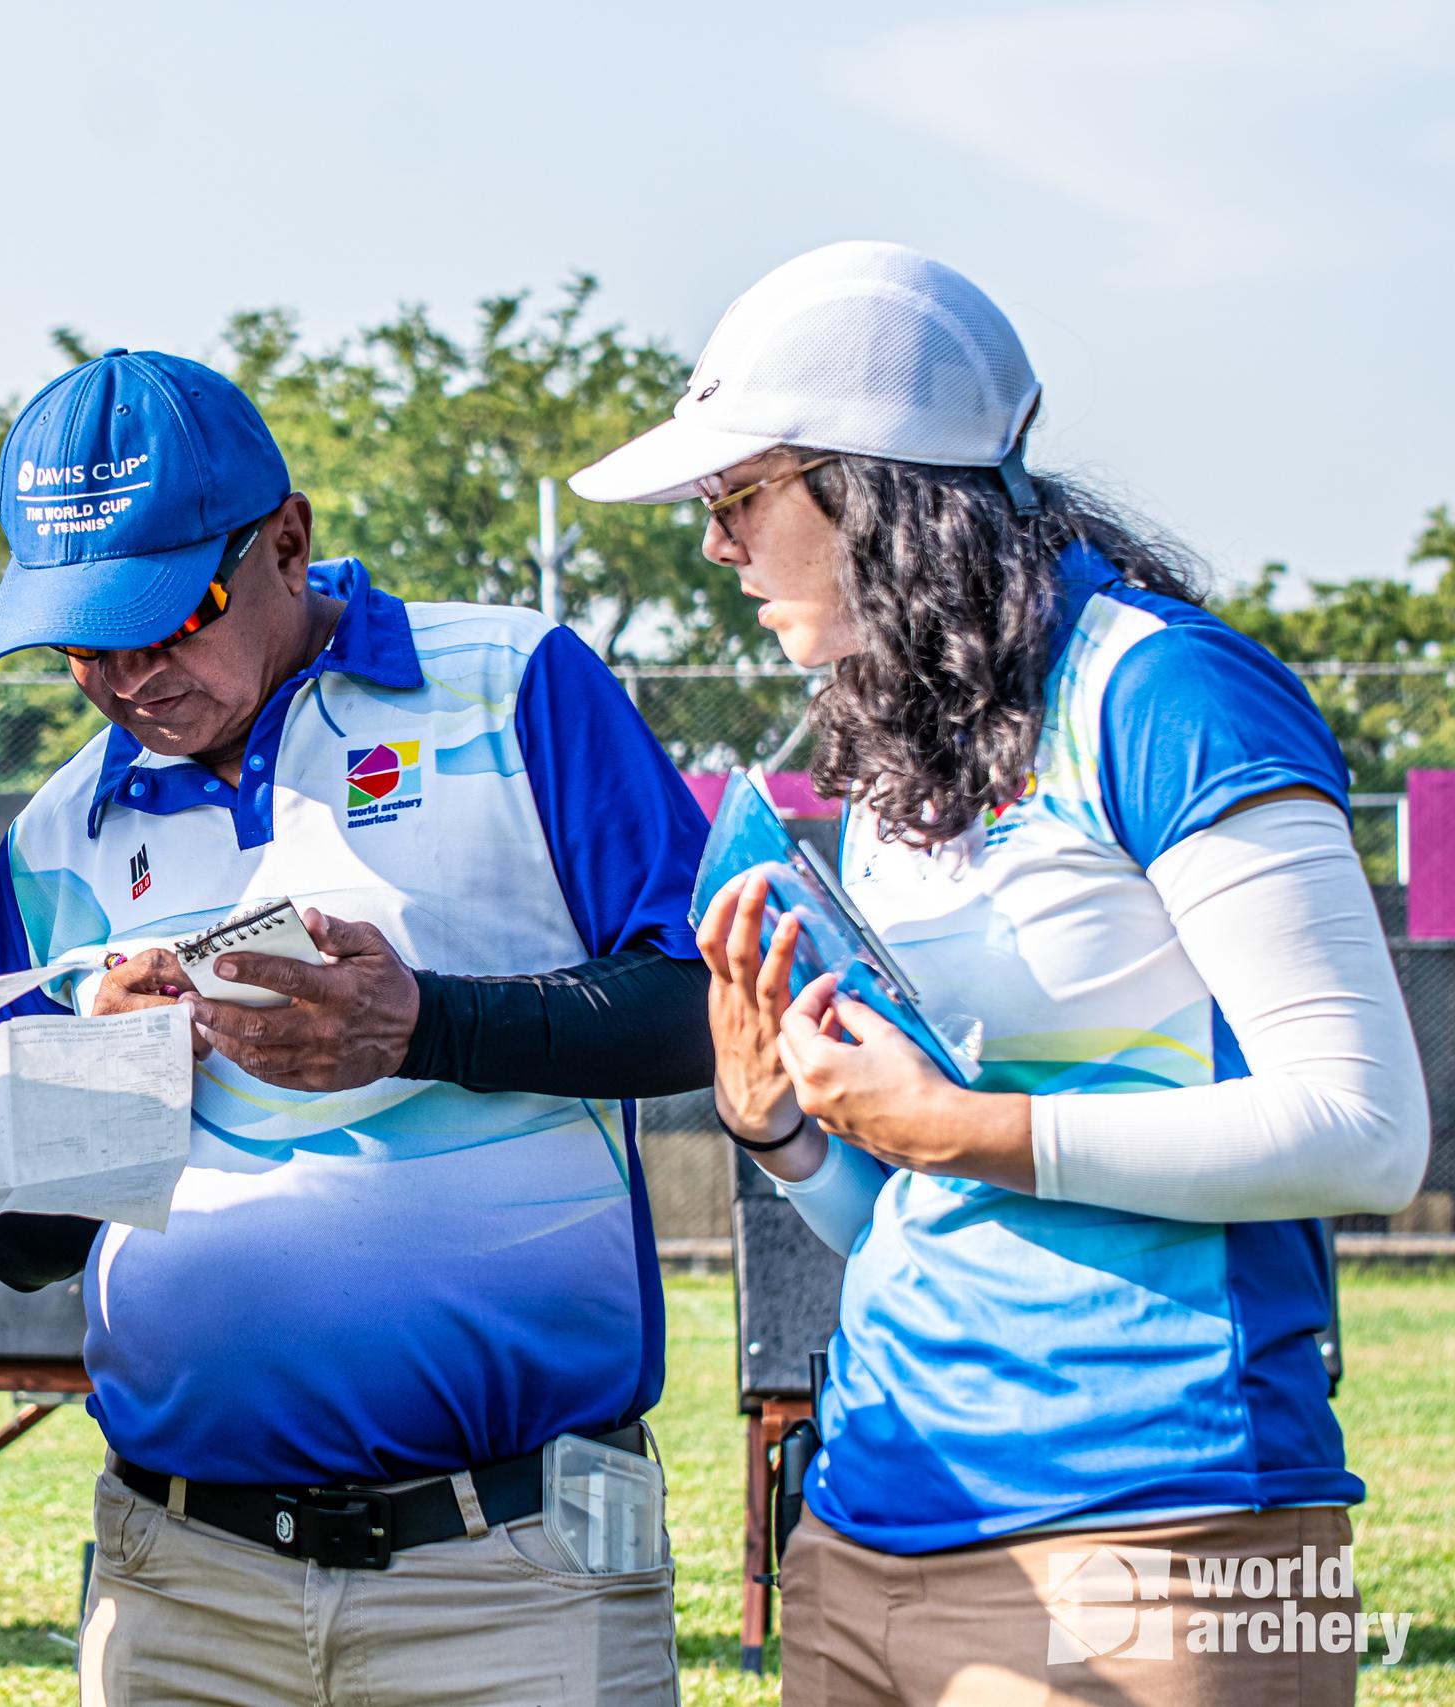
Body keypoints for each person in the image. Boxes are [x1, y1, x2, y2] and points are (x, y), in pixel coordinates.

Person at [573, 241, 1430, 1706]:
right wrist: (781, 1126)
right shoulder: (917, 737)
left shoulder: (1165, 691)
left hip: (1164, 1540)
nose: (713, 546)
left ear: (877, 482)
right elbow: (916, 1203)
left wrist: (971, 1126)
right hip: (866, 1529)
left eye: (737, 496)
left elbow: (1367, 1131)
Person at [0, 348, 712, 1706]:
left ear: (288, 542)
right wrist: (108, 1078)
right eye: (83, 642)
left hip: (518, 1572)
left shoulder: (514, 681)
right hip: (184, 1584)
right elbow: (21, 1250)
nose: (128, 678)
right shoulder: (54, 832)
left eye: (166, 618)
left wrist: (421, 1025)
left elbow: (707, 1016)